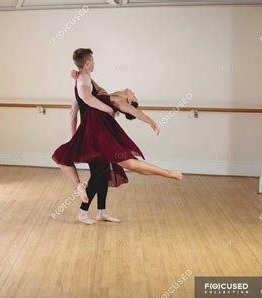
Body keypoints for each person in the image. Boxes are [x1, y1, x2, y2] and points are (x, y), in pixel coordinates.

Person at [52, 48, 183, 224]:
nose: (132, 93)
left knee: (101, 174)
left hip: (96, 135)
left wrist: (149, 120)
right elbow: (86, 96)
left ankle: (99, 212)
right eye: (93, 60)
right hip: (98, 136)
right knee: (126, 165)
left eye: (133, 95)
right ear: (89, 62)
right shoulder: (99, 90)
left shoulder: (109, 93)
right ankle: (168, 173)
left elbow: (78, 106)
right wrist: (148, 120)